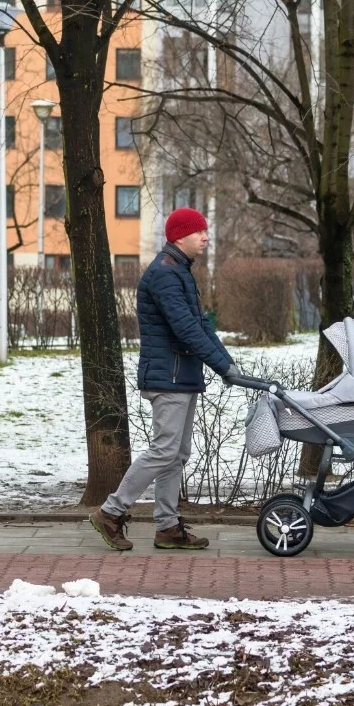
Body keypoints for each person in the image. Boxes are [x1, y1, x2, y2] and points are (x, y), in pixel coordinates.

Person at [90, 207, 238, 551]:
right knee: (165, 450)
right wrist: (221, 366)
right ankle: (111, 512)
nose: (205, 236)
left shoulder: (180, 271)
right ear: (178, 236)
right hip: (167, 377)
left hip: (181, 375)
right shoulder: (165, 274)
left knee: (177, 454)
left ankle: (168, 527)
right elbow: (185, 328)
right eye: (198, 231)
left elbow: (200, 325)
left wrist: (227, 364)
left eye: (205, 230)